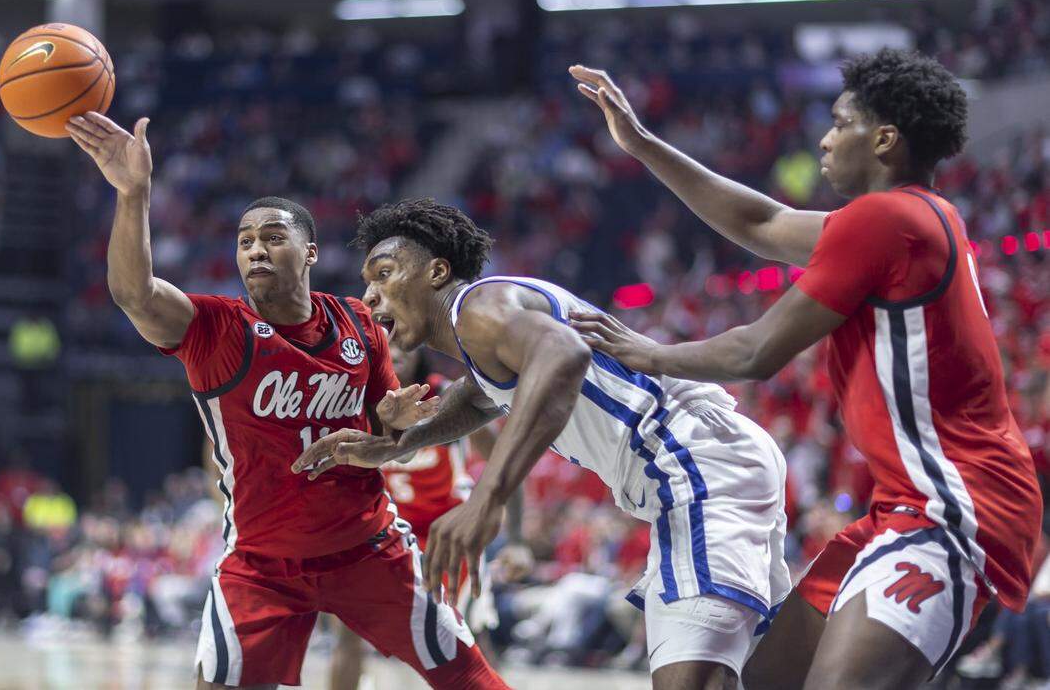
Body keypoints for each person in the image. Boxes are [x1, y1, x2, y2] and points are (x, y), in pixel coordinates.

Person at [562, 50, 1042, 689]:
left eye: (841, 124)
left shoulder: (888, 219)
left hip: (956, 503)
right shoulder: (915, 217)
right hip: (905, 504)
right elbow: (761, 222)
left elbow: (756, 352)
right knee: (766, 681)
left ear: (884, 140)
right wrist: (644, 145)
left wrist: (645, 353)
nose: (824, 139)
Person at [65, 112, 509, 690]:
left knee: (473, 678)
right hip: (261, 564)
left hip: (368, 548)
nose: (256, 250)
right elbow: (135, 293)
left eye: (273, 238)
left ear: (310, 252)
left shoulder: (359, 324)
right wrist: (133, 194)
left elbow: (387, 442)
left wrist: (394, 424)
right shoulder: (217, 327)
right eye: (245, 241)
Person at [294, 198, 791, 690]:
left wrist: (487, 499)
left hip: (688, 463)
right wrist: (393, 445)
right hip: (704, 461)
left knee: (689, 679)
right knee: (759, 673)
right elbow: (479, 397)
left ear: (437, 272)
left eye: (383, 274)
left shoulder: (479, 308)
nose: (370, 295)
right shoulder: (485, 333)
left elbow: (563, 355)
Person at [328, 343, 500, 690]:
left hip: (447, 531)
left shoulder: (447, 396)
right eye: (385, 342)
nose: (395, 350)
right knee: (348, 630)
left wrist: (501, 523)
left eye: (402, 342)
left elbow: (502, 460)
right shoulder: (355, 404)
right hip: (387, 530)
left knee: (467, 634)